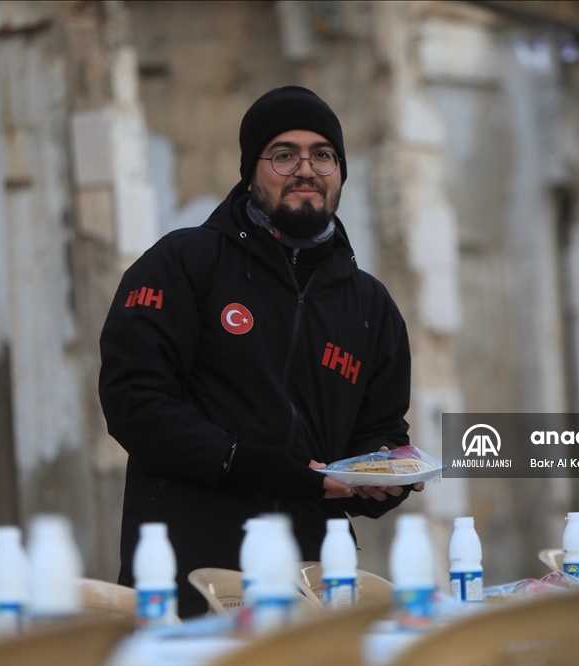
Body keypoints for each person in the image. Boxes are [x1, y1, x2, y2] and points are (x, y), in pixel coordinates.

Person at [99, 85, 421, 617]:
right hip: (188, 572)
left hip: (312, 580)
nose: (306, 169)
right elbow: (134, 403)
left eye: (323, 155)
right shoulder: (183, 263)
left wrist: (384, 481)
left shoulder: (370, 304)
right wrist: (242, 460)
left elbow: (381, 430)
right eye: (283, 154)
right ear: (252, 171)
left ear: (340, 172)